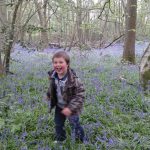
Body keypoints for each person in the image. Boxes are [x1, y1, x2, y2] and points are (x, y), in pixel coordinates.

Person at [47, 51, 85, 143]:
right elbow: (52, 87)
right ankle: (60, 139)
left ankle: (81, 139)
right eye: (55, 62)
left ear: (67, 64)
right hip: (59, 106)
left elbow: (80, 96)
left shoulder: (73, 80)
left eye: (61, 62)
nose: (58, 65)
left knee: (74, 124)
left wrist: (70, 108)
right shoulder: (53, 76)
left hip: (71, 108)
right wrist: (48, 95)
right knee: (58, 124)